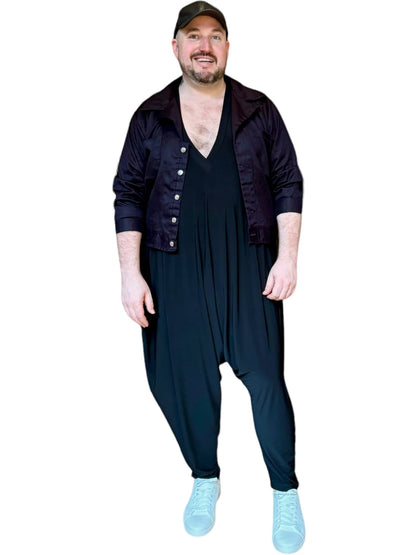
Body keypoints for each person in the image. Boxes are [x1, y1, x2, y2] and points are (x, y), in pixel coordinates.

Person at [112, 2, 305, 552]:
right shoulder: (150, 116)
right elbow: (128, 195)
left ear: (227, 47)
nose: (204, 45)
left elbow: (288, 183)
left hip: (250, 266)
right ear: (175, 47)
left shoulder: (259, 110)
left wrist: (288, 259)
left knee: (266, 381)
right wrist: (130, 276)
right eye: (193, 35)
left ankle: (285, 491)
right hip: (171, 270)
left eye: (215, 36)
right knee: (184, 382)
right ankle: (204, 476)